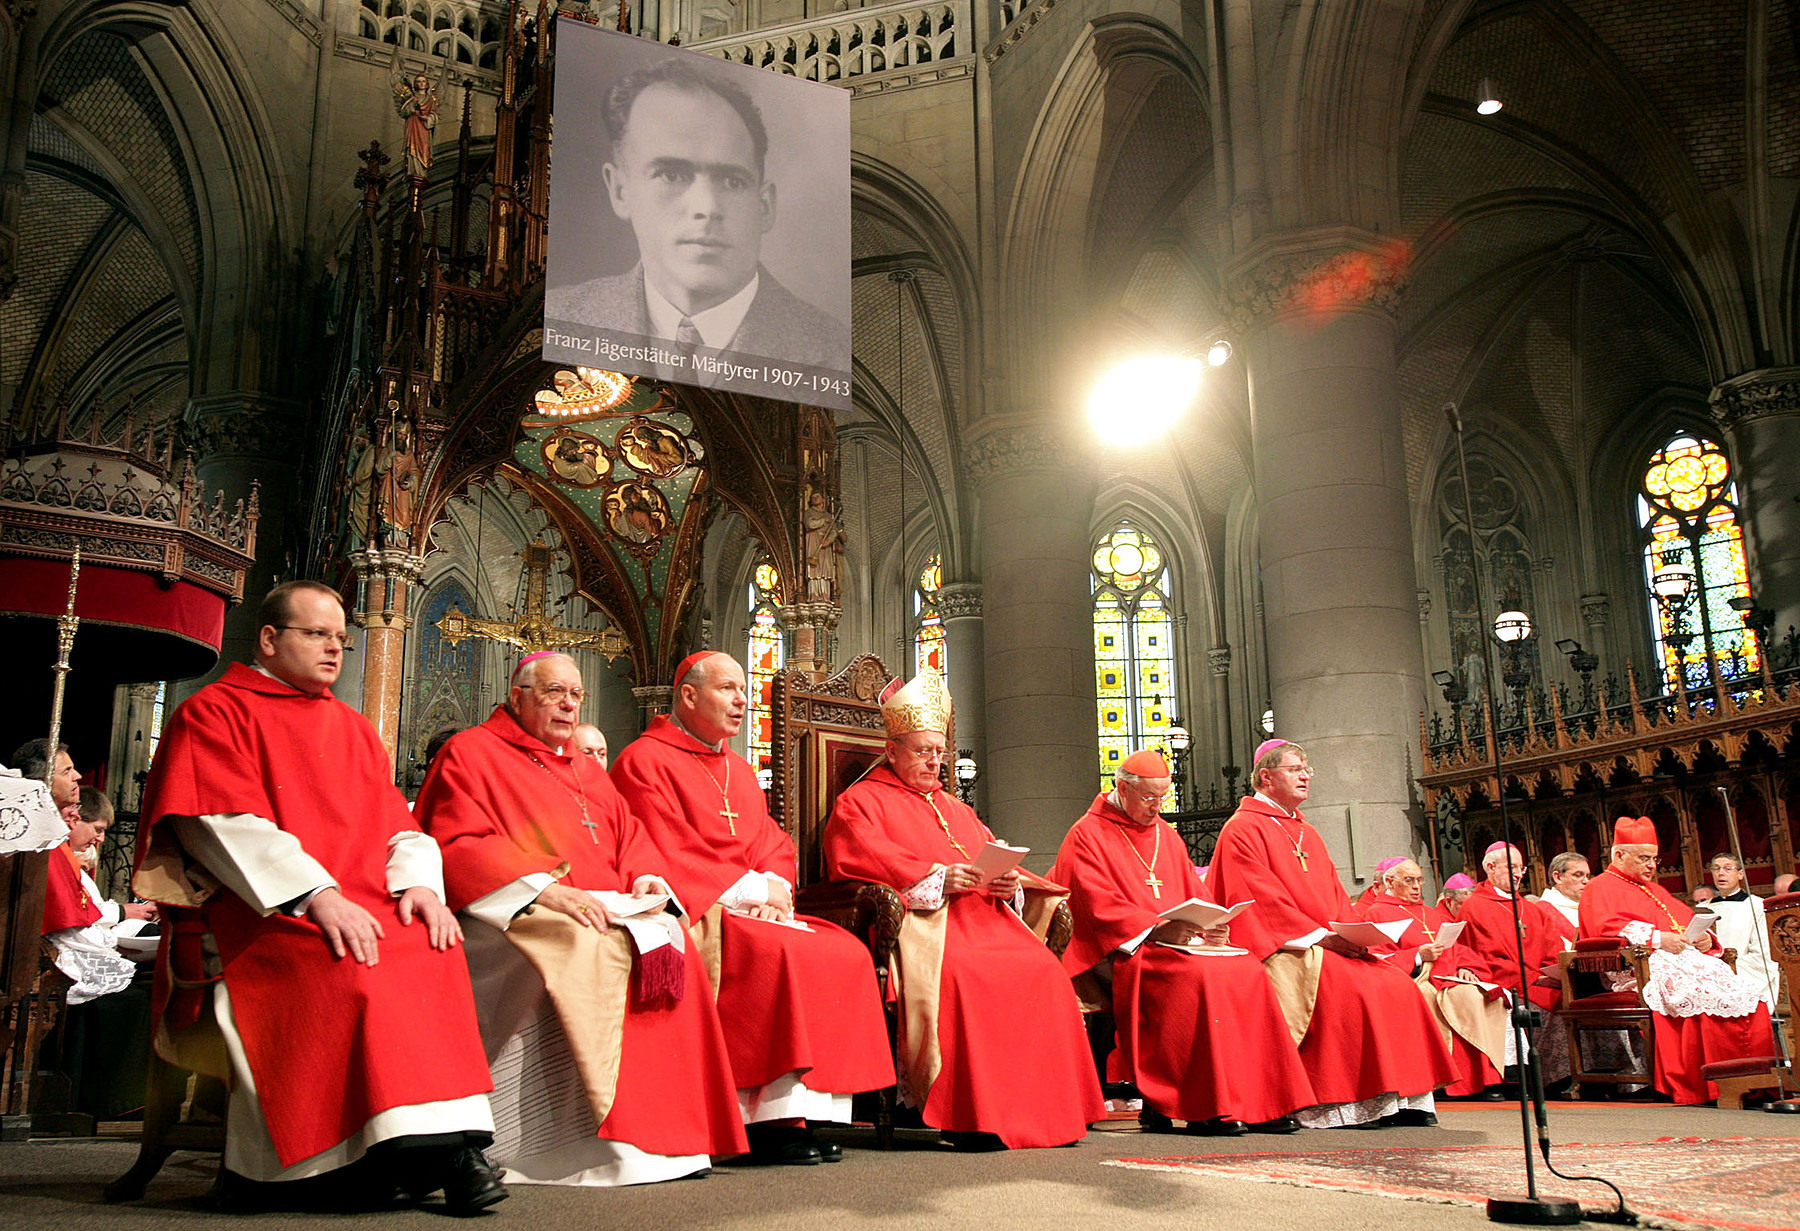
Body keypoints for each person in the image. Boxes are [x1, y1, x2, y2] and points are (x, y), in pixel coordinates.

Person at [132, 580, 504, 1211]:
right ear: (271, 639)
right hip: (263, 909)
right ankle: (374, 1162)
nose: (334, 649)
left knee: (432, 947)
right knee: (352, 965)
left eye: (340, 638)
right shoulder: (215, 711)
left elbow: (397, 823)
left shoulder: (353, 727)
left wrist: (420, 884)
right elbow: (217, 822)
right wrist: (316, 895)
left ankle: (436, 1148)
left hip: (363, 899)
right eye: (317, 635)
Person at [415, 651, 746, 1185]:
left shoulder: (587, 770)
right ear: (518, 696)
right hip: (514, 910)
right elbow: (457, 840)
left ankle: (663, 1140)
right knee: (592, 943)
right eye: (553, 693)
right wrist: (544, 888)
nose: (569, 705)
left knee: (666, 934)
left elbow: (630, 837)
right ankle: (572, 1144)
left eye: (576, 695)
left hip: (600, 904)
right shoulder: (473, 752)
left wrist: (646, 878)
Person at [610, 651, 892, 1165]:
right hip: (697, 909)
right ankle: (759, 1122)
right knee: (776, 956)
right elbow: (661, 847)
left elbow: (772, 844)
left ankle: (810, 1113)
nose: (743, 700)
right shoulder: (643, 760)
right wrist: (748, 894)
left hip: (755, 906)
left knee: (844, 952)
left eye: (744, 689)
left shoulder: (738, 770)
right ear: (689, 696)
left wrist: (775, 892)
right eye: (728, 689)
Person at [819, 672, 1103, 1150]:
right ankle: (975, 1117)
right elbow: (860, 856)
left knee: (1043, 971)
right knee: (973, 976)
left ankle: (1048, 1110)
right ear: (892, 751)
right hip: (929, 926)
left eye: (939, 751)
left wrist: (1010, 882)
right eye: (922, 751)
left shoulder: (957, 807)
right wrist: (936, 877)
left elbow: (990, 852)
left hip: (988, 922)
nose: (935, 761)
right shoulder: (860, 802)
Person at [1050, 750, 1312, 1135]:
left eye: (1162, 798)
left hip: (1179, 944)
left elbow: (1196, 894)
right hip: (1126, 949)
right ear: (1122, 788)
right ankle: (1202, 1104)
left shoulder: (1167, 836)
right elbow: (1092, 903)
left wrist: (1214, 924)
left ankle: (1261, 1101)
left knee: (1246, 970)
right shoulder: (1086, 834)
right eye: (1148, 798)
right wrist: (1155, 929)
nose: (1156, 808)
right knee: (1196, 979)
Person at [1204, 738, 1457, 1128]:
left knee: (1395, 982)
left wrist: (1355, 935)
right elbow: (1259, 899)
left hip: (1327, 941)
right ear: (1266, 777)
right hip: (1283, 946)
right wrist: (1322, 938)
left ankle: (1399, 1097)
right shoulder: (1243, 829)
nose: (1305, 776)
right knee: (1354, 990)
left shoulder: (1307, 832)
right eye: (1295, 769)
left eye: (1308, 770)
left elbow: (1335, 899)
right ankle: (1344, 1101)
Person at [545, 58, 847, 370]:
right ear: (620, 190)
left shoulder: (831, 351)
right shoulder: (559, 318)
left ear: (765, 205)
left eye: (732, 181)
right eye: (671, 175)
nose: (706, 207)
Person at [1578, 816, 1775, 1104]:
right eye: (1644, 858)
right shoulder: (1600, 887)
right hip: (1636, 967)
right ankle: (1702, 1083)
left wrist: (1709, 940)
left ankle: (1751, 1081)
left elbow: (1688, 923)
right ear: (1620, 855)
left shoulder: (1656, 890)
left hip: (1682, 961)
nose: (1651, 866)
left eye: (1654, 859)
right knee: (1692, 994)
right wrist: (1658, 939)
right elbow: (1603, 929)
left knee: (1748, 994)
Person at [1359, 856, 1510, 1100]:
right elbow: (1376, 957)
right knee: (1427, 997)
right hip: (1414, 979)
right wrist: (1417, 955)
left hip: (1447, 977)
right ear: (1389, 881)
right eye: (1409, 881)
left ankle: (1483, 1080)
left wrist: (1467, 967)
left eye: (1420, 880)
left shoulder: (1431, 913)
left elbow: (1459, 948)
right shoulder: (1376, 913)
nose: (1417, 886)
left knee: (1474, 995)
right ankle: (1441, 1082)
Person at [1452, 843, 1572, 1094]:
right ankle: (1553, 1079)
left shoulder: (1532, 909)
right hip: (1509, 984)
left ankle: (1589, 1074)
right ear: (1491, 868)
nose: (1519, 874)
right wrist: (1536, 979)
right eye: (1512, 867)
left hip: (1538, 981)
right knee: (1550, 1005)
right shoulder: (1475, 907)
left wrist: (1553, 973)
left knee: (1571, 999)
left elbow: (1552, 952)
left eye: (1521, 868)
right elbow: (1485, 959)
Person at [1708, 853, 1777, 1014]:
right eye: (1716, 869)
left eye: (1728, 868)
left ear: (1740, 874)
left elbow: (1763, 953)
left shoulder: (1757, 906)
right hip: (1710, 983)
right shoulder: (1704, 908)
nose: (1721, 873)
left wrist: (1728, 971)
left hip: (1742, 979)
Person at [1539, 851, 1589, 932]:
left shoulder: (1590, 907)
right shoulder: (1543, 911)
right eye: (1578, 875)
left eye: (1587, 876)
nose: (1586, 881)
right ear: (1558, 877)